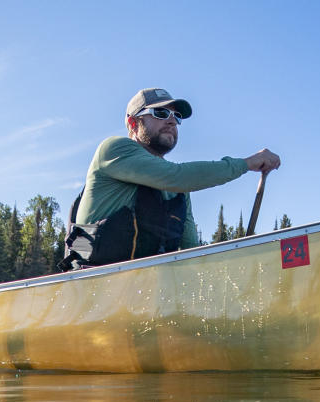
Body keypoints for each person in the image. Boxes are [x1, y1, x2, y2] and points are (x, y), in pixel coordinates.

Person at [61, 87, 281, 269]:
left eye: (176, 116)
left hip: (147, 293)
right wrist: (246, 163)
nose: (172, 121)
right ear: (133, 123)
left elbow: (191, 253)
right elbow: (178, 176)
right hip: (92, 287)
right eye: (160, 113)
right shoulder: (114, 149)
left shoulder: (179, 190)